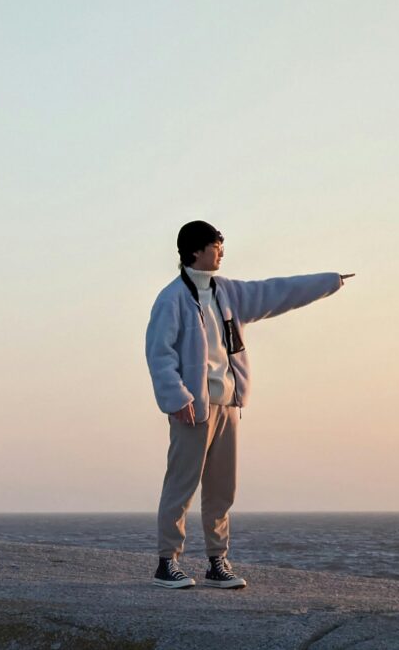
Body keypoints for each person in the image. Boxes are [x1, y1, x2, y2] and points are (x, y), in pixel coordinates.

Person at [145, 220, 354, 589]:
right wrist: (177, 398)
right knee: (181, 486)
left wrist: (330, 281)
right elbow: (159, 354)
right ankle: (167, 562)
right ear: (195, 250)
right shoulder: (171, 299)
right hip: (193, 409)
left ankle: (216, 562)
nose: (222, 251)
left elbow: (276, 292)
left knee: (222, 489)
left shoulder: (228, 293)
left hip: (227, 405)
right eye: (216, 245)